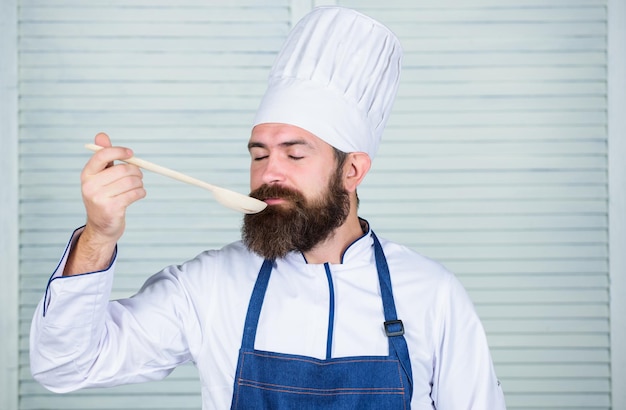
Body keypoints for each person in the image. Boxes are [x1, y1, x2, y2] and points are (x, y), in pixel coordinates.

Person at [30, 6, 506, 410]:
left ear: (352, 171)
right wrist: (99, 236)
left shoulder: (432, 294)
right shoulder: (209, 287)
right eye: (259, 155)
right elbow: (65, 364)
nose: (269, 173)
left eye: (294, 154)